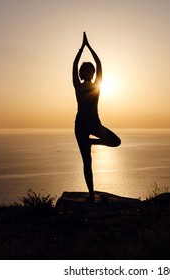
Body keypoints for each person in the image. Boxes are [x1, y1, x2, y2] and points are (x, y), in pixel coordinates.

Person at [73, 32, 121, 203]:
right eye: (87, 70)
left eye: (90, 70)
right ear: (84, 73)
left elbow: (95, 63)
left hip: (89, 124)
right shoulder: (89, 86)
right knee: (87, 161)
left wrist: (84, 47)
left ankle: (92, 142)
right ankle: (92, 195)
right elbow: (93, 63)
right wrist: (86, 47)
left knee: (114, 142)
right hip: (85, 125)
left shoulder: (91, 86)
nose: (89, 72)